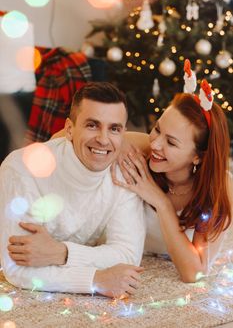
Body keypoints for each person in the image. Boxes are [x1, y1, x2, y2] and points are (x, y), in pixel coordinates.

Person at [0, 82, 146, 298]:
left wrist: (62, 253)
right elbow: (17, 269)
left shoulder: (124, 173)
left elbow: (127, 254)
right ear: (69, 129)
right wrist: (95, 279)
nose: (104, 139)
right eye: (92, 125)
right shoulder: (22, 168)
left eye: (114, 128)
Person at [112, 61, 233, 283]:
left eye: (172, 142)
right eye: (157, 129)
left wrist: (162, 203)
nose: (156, 144)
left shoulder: (218, 187)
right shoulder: (142, 148)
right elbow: (65, 138)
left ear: (198, 156)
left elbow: (193, 273)